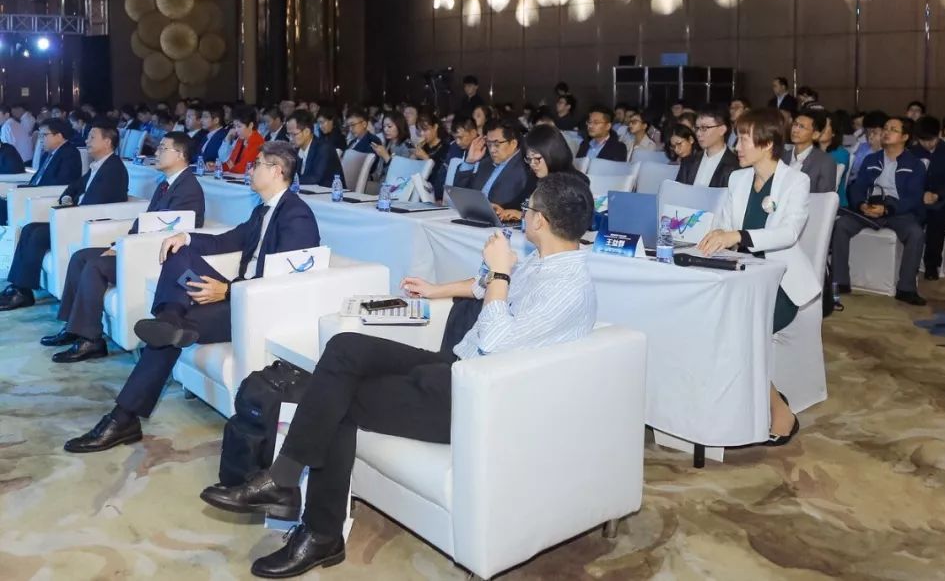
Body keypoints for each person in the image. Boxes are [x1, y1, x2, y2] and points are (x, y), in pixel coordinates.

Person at [198, 172, 597, 577]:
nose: (523, 214)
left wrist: (500, 272)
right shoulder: (546, 261)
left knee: (339, 399)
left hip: (476, 398)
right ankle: (284, 481)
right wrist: (438, 289)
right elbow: (483, 290)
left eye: (528, 208)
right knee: (345, 346)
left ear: (540, 221)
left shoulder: (568, 287)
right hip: (454, 366)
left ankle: (318, 531)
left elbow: (495, 339)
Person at [64, 142, 320, 454]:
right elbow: (228, 240)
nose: (250, 170)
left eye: (256, 164)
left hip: (256, 308)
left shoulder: (297, 215)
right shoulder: (262, 210)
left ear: (277, 171)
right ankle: (169, 317)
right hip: (238, 293)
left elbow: (286, 280)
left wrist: (228, 290)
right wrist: (185, 236)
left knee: (170, 335)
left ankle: (122, 418)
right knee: (179, 254)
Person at [697, 108, 814, 446]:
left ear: (767, 143)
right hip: (742, 279)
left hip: (781, 287)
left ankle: (780, 413)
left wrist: (740, 236)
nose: (738, 147)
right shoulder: (738, 179)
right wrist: (715, 234)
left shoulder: (795, 181)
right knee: (707, 321)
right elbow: (723, 224)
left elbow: (788, 233)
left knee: (736, 332)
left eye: (745, 139)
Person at [43, 132, 207, 362]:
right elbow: (146, 223)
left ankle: (91, 340)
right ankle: (74, 327)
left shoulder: (187, 189)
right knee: (80, 256)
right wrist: (119, 245)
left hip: (156, 257)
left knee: (95, 265)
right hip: (138, 248)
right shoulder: (167, 184)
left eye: (162, 149)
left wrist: (124, 248)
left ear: (180, 155)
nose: (156, 153)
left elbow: (168, 232)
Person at [0, 121, 129, 312]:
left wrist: (73, 212)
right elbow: (74, 186)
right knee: (29, 229)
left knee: (37, 234)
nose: (87, 141)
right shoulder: (99, 165)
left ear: (108, 142)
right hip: (75, 216)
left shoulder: (114, 169)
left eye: (92, 137)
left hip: (88, 223)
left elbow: (98, 204)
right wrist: (68, 198)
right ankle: (20, 287)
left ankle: (23, 291)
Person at [833, 116, 928, 306]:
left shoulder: (915, 164)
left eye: (893, 129)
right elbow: (858, 187)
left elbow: (913, 197)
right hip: (869, 207)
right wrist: (861, 204)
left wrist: (887, 209)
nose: (886, 132)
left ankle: (906, 288)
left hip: (897, 211)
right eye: (885, 128)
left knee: (916, 234)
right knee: (841, 225)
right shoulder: (871, 159)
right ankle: (840, 281)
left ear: (905, 137)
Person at [493, 125, 588, 222]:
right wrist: (501, 209)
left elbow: (564, 220)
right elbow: (519, 203)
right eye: (529, 159)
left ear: (554, 154)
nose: (532, 164)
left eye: (537, 158)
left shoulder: (576, 182)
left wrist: (523, 215)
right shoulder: (535, 177)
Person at [0, 118, 83, 226]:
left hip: (42, 199)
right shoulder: (48, 155)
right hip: (29, 194)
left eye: (44, 135)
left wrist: (27, 191)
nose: (41, 140)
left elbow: (63, 184)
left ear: (59, 136)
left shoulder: (70, 154)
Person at [911, 116, 945, 280]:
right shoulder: (912, 153)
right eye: (923, 141)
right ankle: (910, 263)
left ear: (939, 134)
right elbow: (907, 180)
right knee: (909, 217)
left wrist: (937, 195)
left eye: (931, 140)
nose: (928, 144)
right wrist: (921, 194)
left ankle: (931, 264)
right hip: (919, 198)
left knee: (936, 218)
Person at [455, 119, 535, 210]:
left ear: (513, 143)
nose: (492, 150)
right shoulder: (485, 163)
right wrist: (469, 162)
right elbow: (460, 194)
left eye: (497, 144)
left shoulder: (526, 168)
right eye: (489, 144)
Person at [676, 104, 739, 188]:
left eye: (704, 128)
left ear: (722, 130)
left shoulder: (736, 166)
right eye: (697, 128)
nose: (698, 133)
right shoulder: (688, 162)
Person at [784, 109, 838, 194]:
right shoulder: (782, 156)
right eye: (795, 124)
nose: (795, 130)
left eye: (802, 127)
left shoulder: (825, 162)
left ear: (815, 135)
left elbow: (825, 199)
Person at [288, 109, 344, 188]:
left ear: (307, 132)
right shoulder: (296, 149)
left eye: (294, 134)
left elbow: (314, 179)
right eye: (289, 134)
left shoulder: (324, 148)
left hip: (331, 193)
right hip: (309, 192)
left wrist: (286, 182)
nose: (290, 139)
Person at [413, 111, 451, 199]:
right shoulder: (422, 147)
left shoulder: (446, 148)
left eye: (425, 130)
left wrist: (426, 158)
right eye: (419, 130)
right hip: (418, 191)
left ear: (435, 127)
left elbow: (440, 176)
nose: (422, 134)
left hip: (434, 194)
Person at [818, 112, 850, 206]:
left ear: (833, 132)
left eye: (825, 126)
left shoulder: (841, 154)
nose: (821, 129)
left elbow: (830, 185)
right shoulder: (810, 151)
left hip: (835, 206)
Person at [222, 106, 265, 174]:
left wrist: (230, 167)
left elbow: (243, 168)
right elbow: (231, 162)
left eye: (239, 126)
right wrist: (217, 167)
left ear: (250, 125)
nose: (236, 130)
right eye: (235, 126)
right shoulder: (241, 139)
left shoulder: (257, 141)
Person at [371, 110, 412, 180]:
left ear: (399, 126)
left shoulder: (407, 145)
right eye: (384, 126)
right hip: (382, 182)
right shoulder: (388, 143)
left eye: (389, 126)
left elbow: (400, 174)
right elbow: (379, 172)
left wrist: (385, 156)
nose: (385, 130)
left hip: (395, 184)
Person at [848, 110, 887, 179]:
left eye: (874, 132)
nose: (870, 136)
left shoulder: (889, 153)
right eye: (867, 132)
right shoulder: (860, 148)